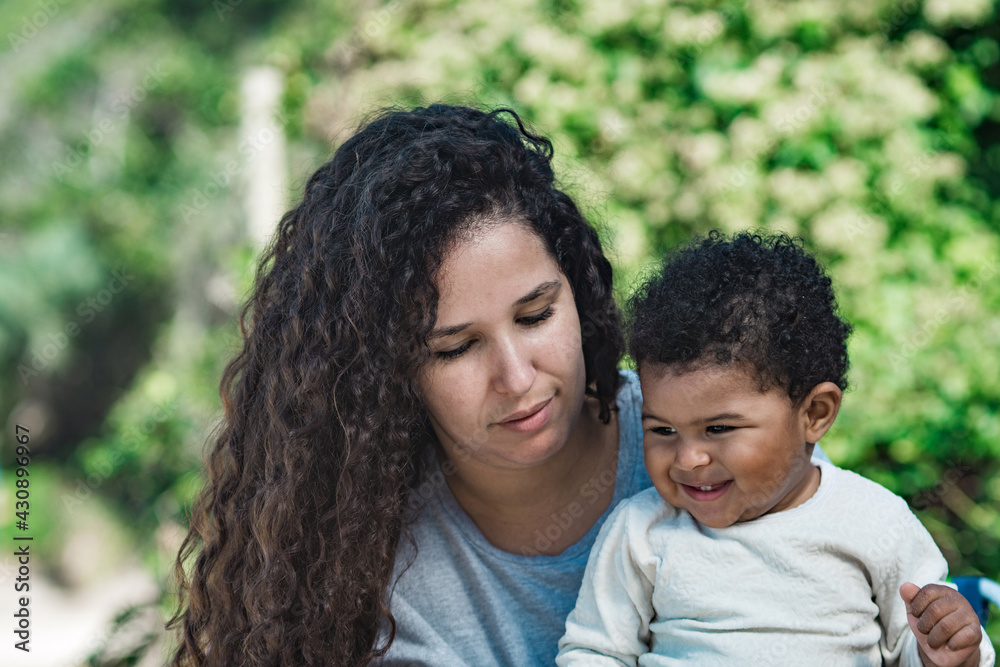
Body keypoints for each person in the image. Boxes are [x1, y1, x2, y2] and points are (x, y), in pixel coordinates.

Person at [166, 104, 828, 666]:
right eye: (455, 347)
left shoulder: (706, 434)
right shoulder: (369, 555)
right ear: (389, 373)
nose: (518, 378)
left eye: (537, 314)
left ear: (581, 291)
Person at [556, 231, 995, 666]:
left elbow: (921, 649)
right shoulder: (642, 532)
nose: (688, 459)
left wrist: (949, 651)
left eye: (719, 427)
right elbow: (594, 651)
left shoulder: (876, 522)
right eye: (663, 430)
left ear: (815, 414)